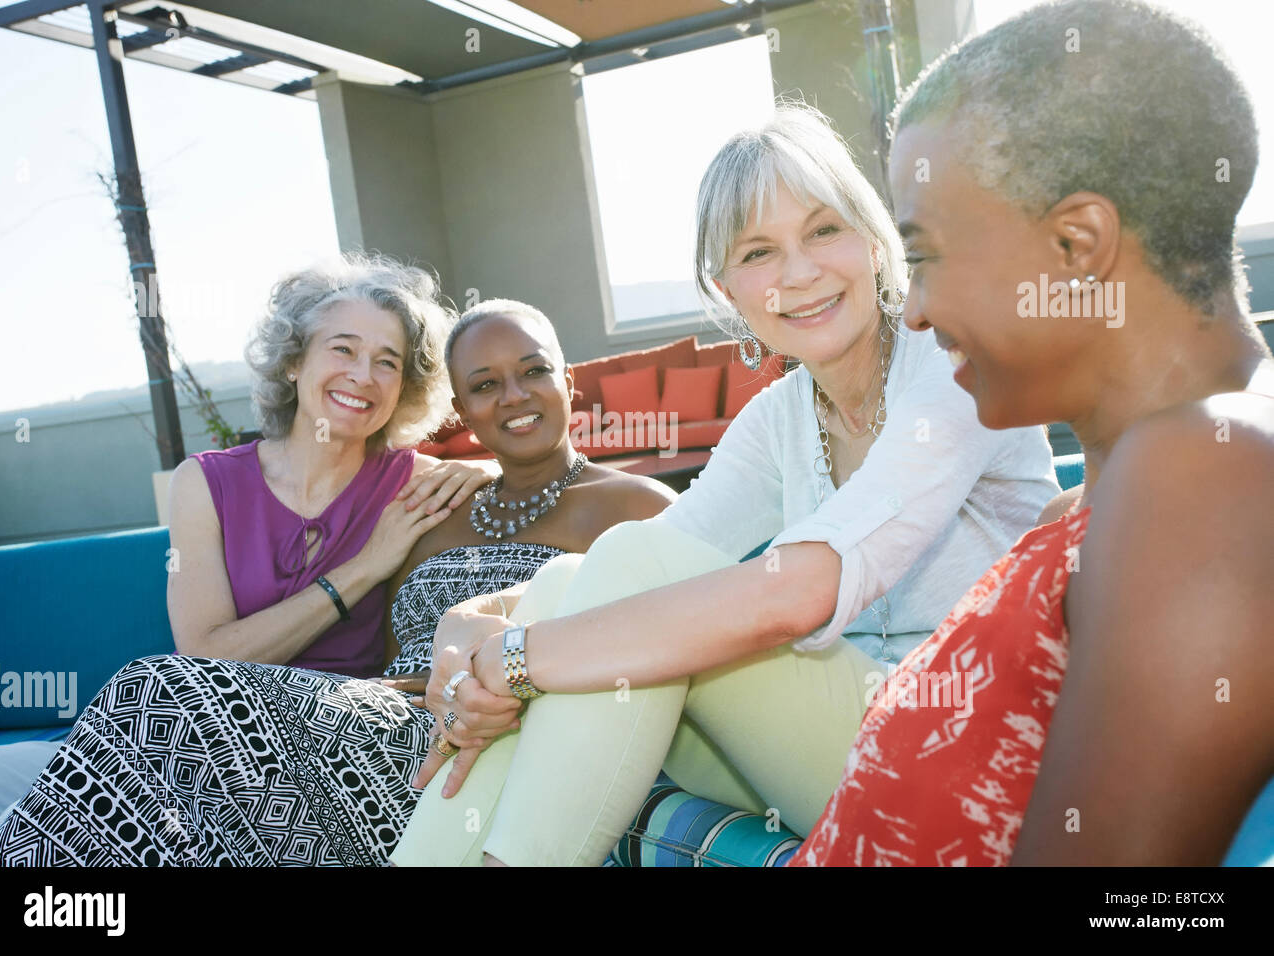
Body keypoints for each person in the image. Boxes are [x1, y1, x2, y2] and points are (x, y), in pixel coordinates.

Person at [390, 102, 1060, 867]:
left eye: (824, 230)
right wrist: (476, 621)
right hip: (840, 740)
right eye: (759, 252)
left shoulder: (951, 370)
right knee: (582, 580)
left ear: (873, 243)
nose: (800, 273)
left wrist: (517, 658)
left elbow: (795, 593)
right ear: (728, 289)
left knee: (608, 592)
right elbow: (635, 564)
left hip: (969, 753)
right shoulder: (782, 416)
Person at [793, 0, 1274, 866]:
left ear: (1076, 245)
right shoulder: (1115, 498)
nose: (919, 312)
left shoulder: (1209, 472)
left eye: (926, 255)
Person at [0, 284, 674, 865]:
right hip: (348, 725)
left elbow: (662, 605)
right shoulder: (434, 506)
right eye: (485, 385)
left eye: (534, 372)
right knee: (134, 780)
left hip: (436, 741)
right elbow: (518, 474)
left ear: (570, 379)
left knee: (155, 694)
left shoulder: (609, 503)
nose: (513, 396)